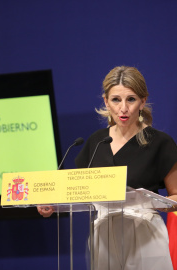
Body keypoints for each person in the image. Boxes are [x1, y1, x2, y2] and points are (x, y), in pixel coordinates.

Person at [37, 66, 177, 269]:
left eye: (131, 99)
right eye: (116, 100)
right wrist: (53, 203)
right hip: (103, 235)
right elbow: (80, 192)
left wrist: (150, 201)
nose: (123, 108)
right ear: (106, 101)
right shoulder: (96, 142)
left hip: (145, 233)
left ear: (143, 101)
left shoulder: (160, 143)